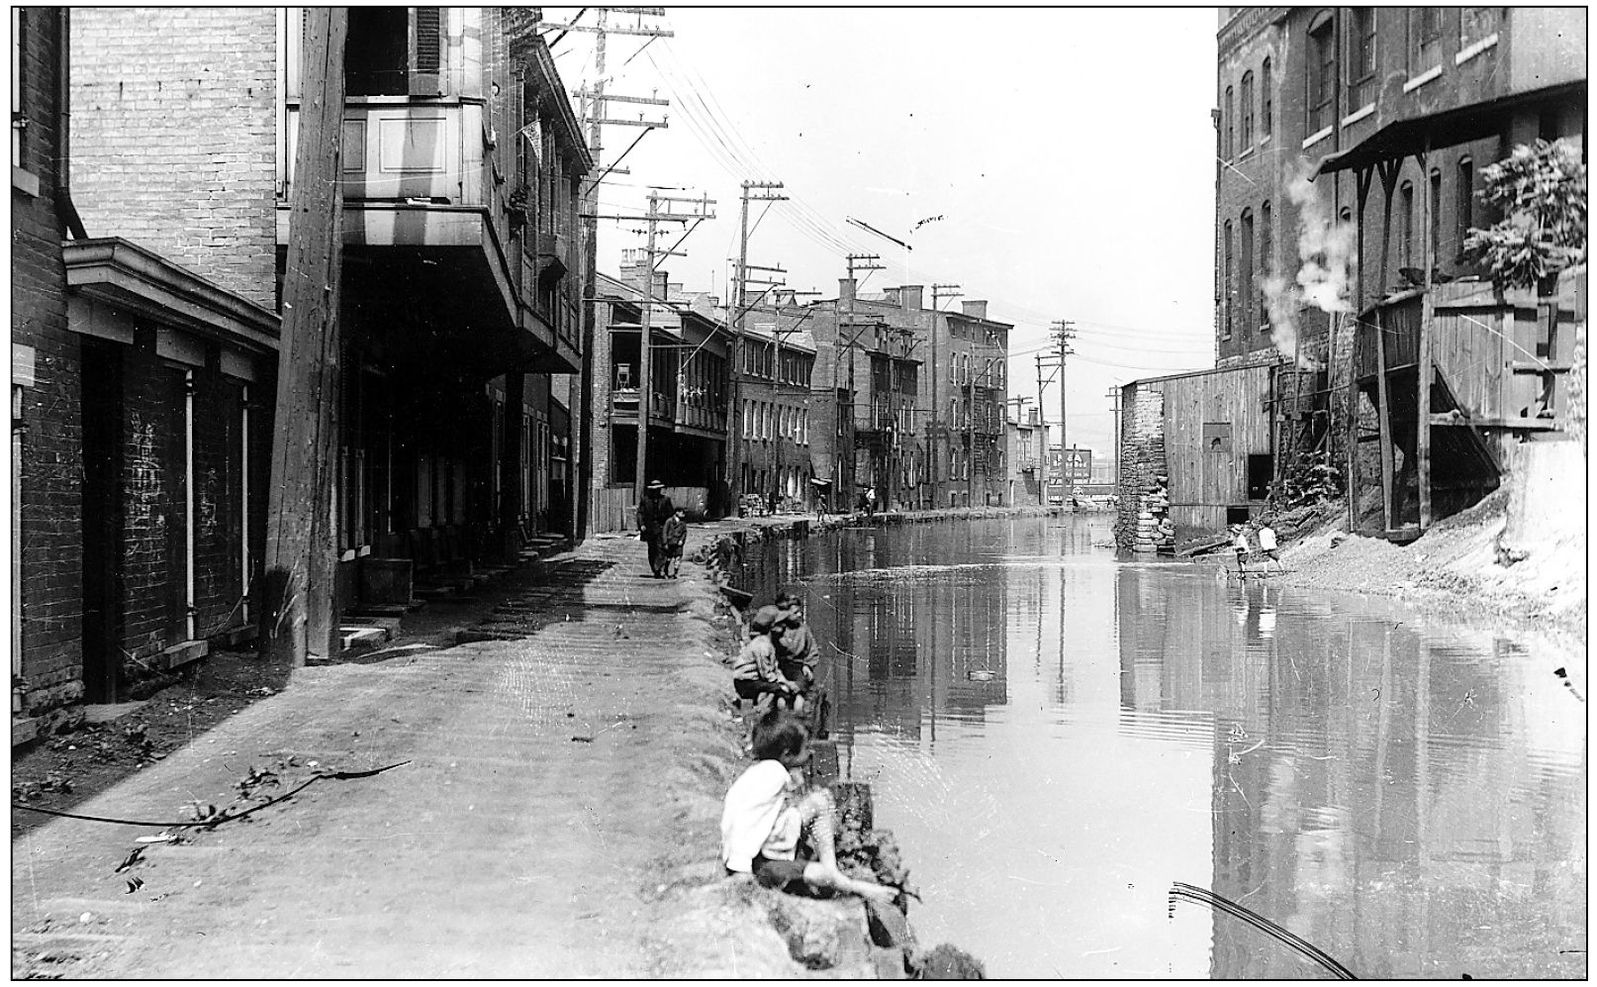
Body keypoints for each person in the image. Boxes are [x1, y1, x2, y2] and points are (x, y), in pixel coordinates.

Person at [720, 708, 897, 903]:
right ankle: (850, 884)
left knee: (819, 800)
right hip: (763, 866)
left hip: (767, 848)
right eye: (806, 748)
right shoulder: (773, 776)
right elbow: (745, 823)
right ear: (787, 754)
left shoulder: (762, 771)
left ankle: (831, 868)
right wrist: (741, 871)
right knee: (819, 873)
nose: (811, 752)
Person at [732, 606, 802, 712]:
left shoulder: (769, 644)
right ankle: (765, 712)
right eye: (781, 625)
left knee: (783, 689)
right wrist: (784, 685)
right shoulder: (762, 645)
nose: (784, 628)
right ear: (772, 628)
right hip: (745, 683)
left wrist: (787, 682)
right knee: (781, 691)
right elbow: (767, 673)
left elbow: (775, 669)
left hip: (754, 680)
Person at [773, 589, 818, 696]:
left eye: (799, 611)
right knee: (781, 694)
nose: (799, 614)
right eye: (795, 612)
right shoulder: (779, 629)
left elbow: (812, 650)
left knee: (800, 688)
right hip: (780, 666)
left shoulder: (804, 629)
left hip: (798, 666)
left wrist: (808, 665)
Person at [636, 480, 675, 578]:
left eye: (658, 490)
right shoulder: (645, 500)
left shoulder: (666, 500)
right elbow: (640, 513)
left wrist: (670, 527)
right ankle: (655, 569)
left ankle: (659, 568)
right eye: (654, 490)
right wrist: (641, 525)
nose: (656, 492)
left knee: (661, 549)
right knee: (652, 549)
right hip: (649, 528)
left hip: (662, 528)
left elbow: (670, 515)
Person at [661, 508, 688, 579]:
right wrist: (665, 542)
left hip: (678, 544)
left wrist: (682, 540)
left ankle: (675, 573)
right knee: (668, 559)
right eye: (682, 513)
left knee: (678, 559)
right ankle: (665, 572)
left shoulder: (683, 523)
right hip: (670, 543)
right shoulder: (669, 521)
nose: (683, 515)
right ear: (677, 512)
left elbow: (684, 532)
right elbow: (664, 532)